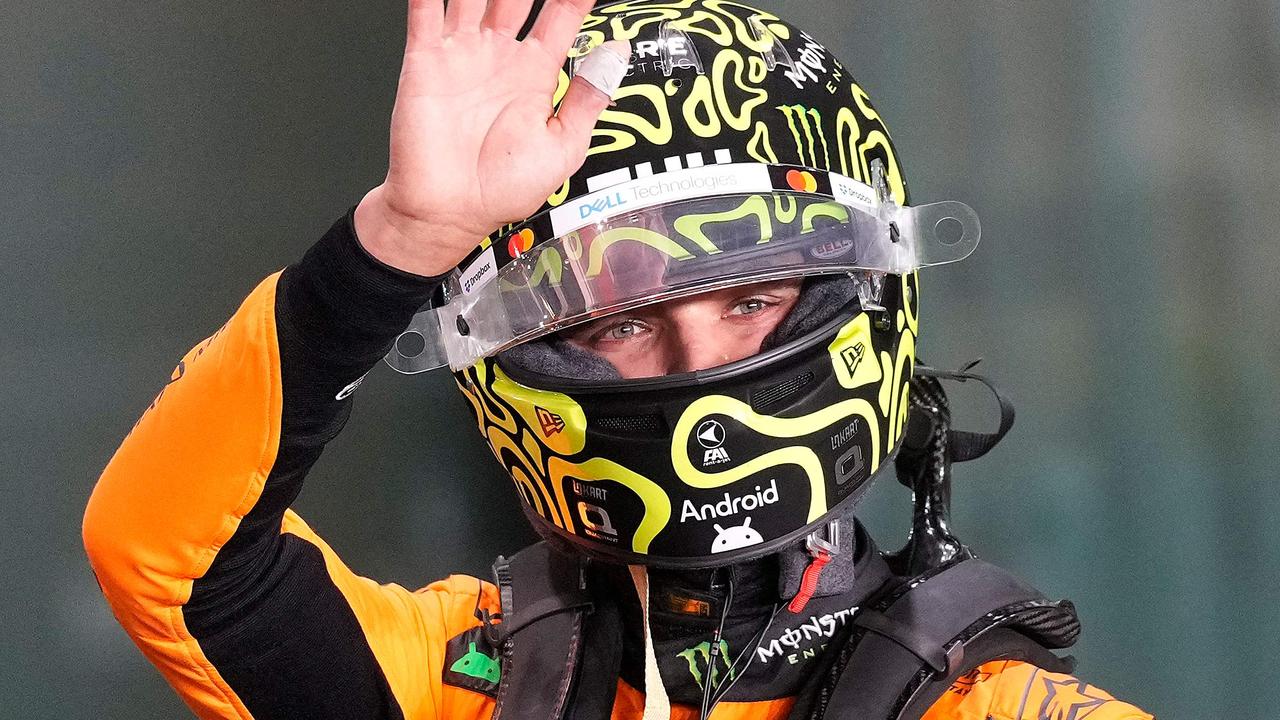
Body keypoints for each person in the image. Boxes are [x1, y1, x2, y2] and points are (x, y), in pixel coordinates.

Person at [83, 1, 1155, 718]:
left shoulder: (1004, 710)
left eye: (752, 299)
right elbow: (167, 553)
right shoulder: (459, 680)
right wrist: (399, 243)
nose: (700, 365)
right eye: (618, 325)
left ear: (864, 295)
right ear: (505, 363)